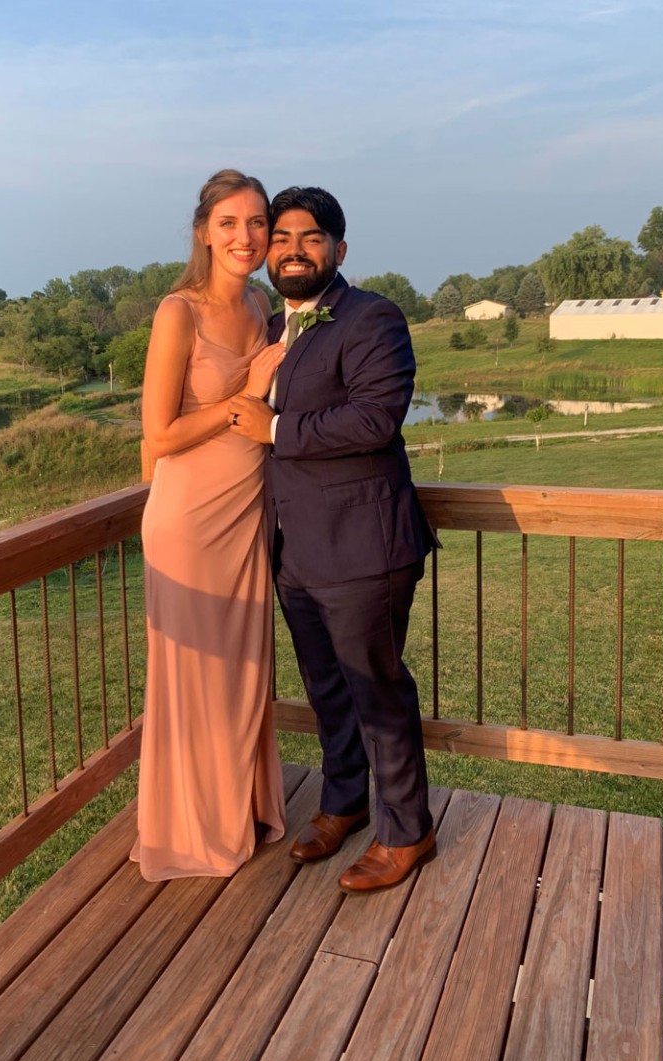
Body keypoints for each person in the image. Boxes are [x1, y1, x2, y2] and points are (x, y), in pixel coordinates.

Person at [228, 185, 436, 892]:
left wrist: (276, 430)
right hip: (295, 552)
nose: (292, 250)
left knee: (377, 690)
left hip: (364, 550)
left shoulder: (372, 319)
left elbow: (374, 420)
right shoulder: (267, 328)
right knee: (325, 690)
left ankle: (409, 831)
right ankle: (343, 803)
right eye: (280, 238)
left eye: (310, 238)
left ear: (339, 250)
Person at [131, 169, 287, 880]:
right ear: (203, 231)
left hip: (247, 511)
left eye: (257, 223)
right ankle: (192, 828)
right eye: (229, 223)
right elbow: (157, 436)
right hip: (190, 519)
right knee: (194, 673)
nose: (246, 237)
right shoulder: (179, 313)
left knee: (244, 671)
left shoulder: (262, 305)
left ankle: (239, 808)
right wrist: (242, 400)